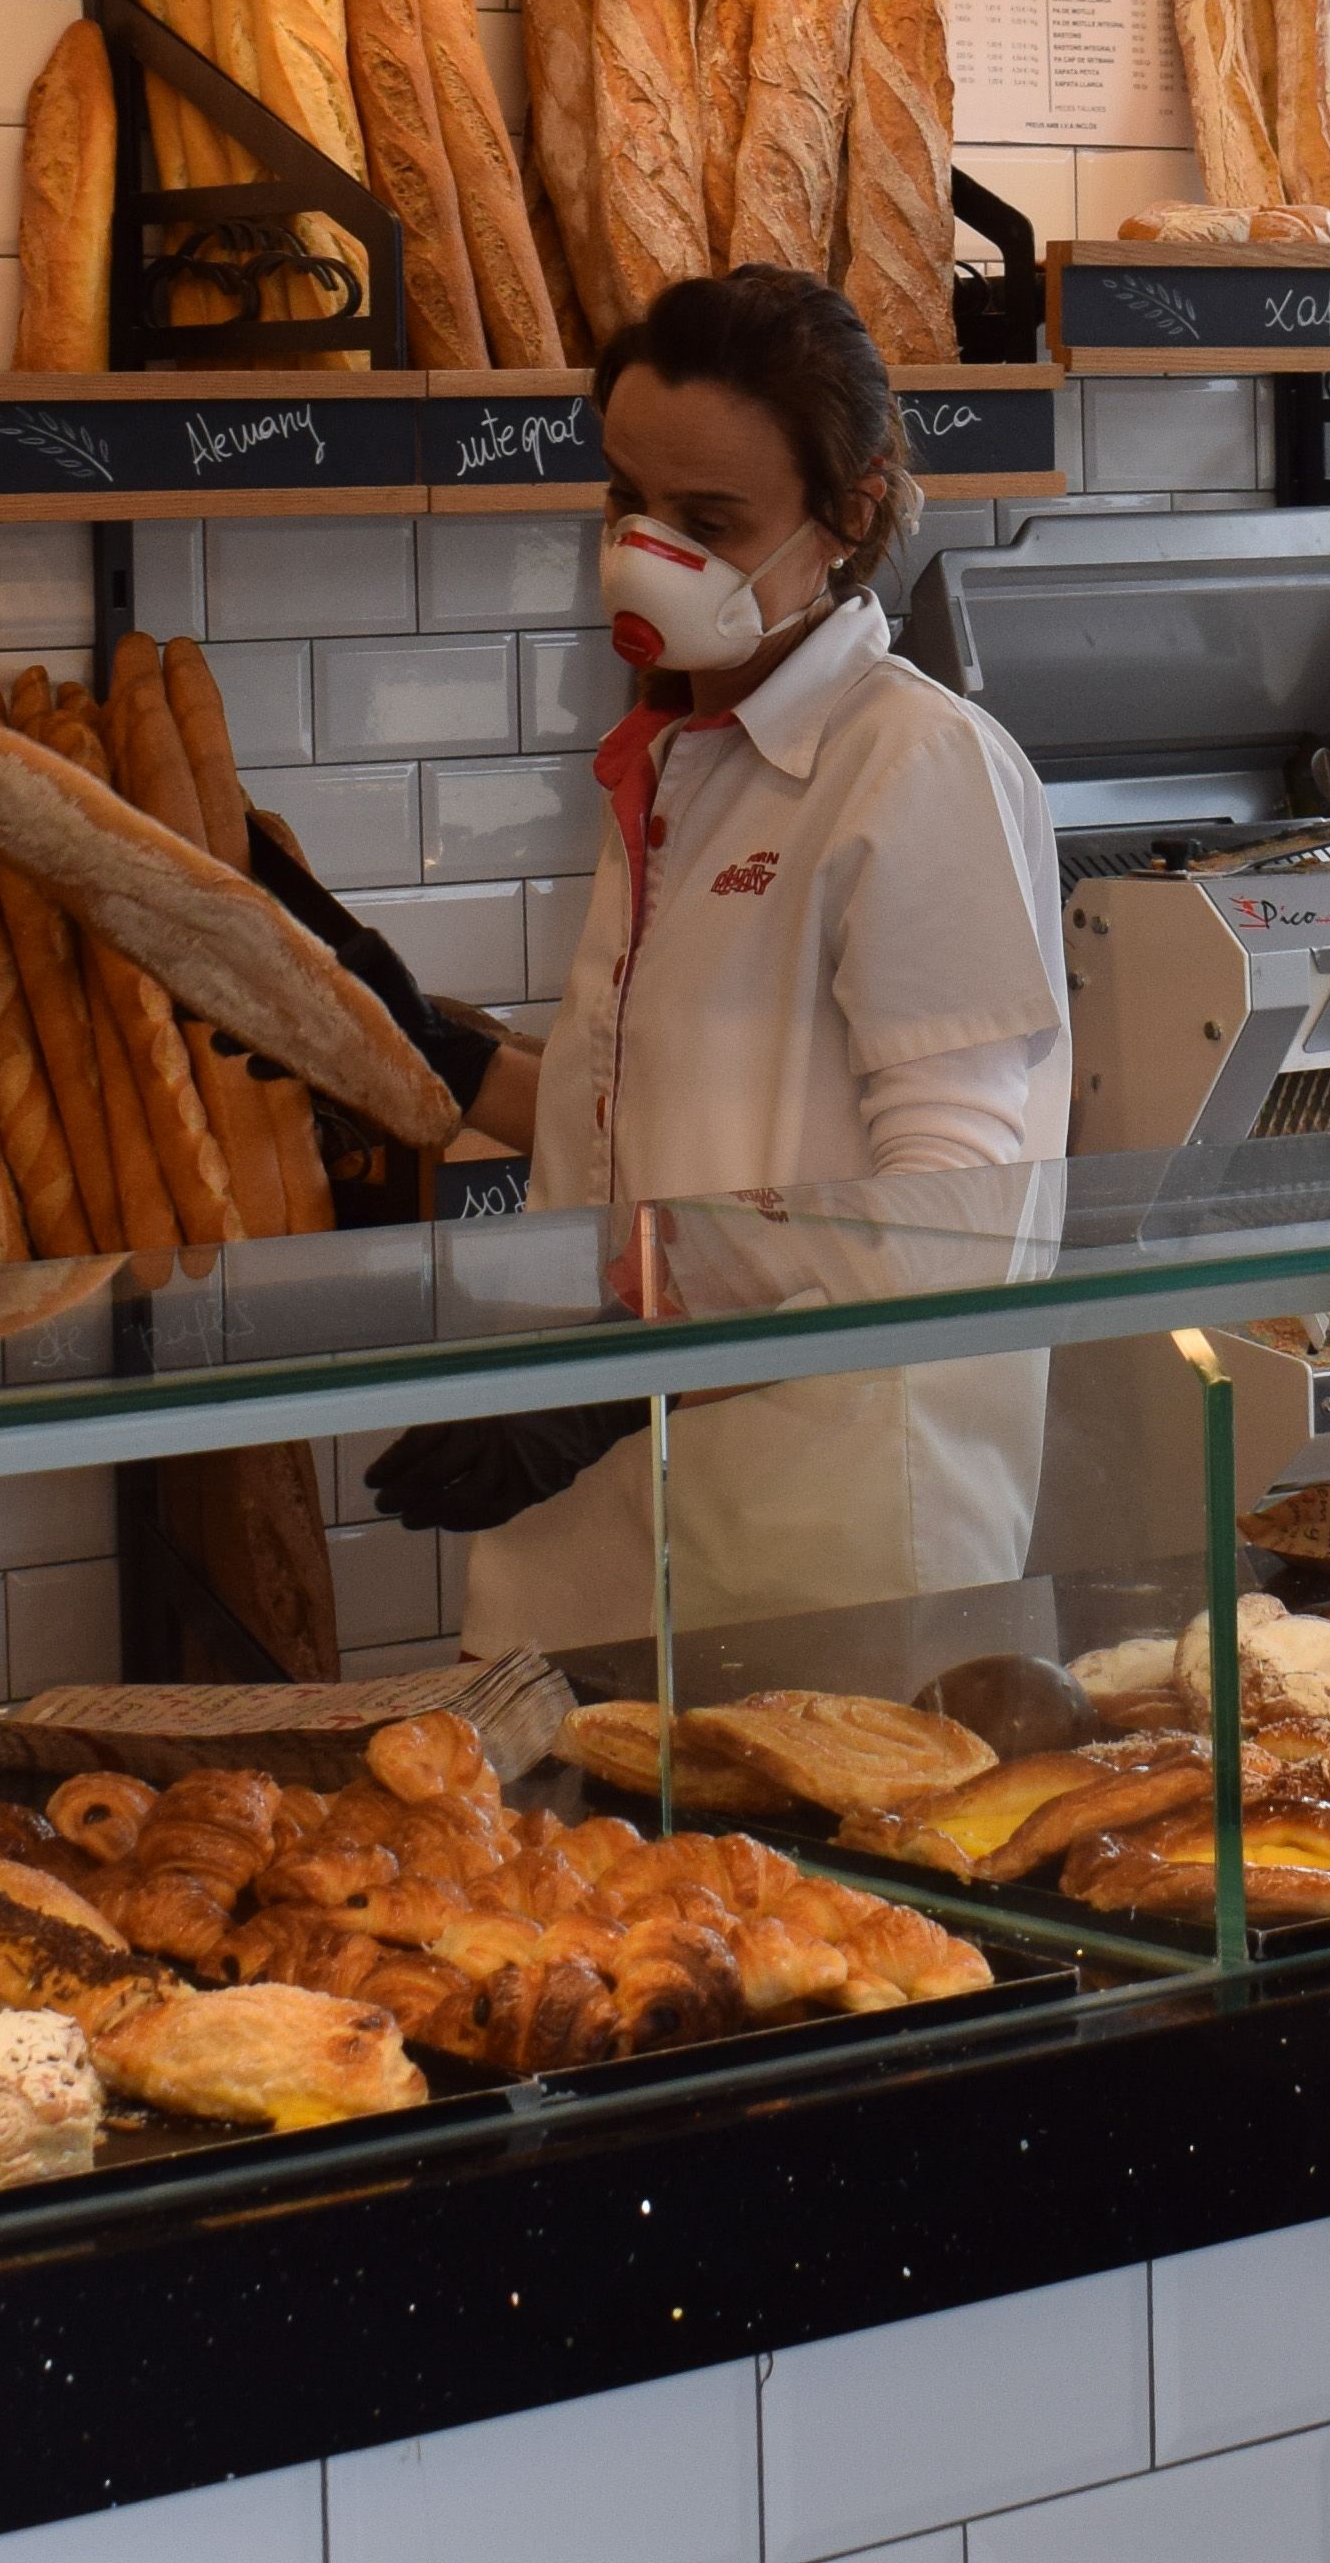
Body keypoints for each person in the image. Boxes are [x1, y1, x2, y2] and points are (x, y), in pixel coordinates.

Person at [380, 267, 1072, 1654]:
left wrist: (619, 1373)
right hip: (603, 1556)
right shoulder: (681, 755)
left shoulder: (910, 768)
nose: (648, 553)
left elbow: (951, 1217)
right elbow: (660, 1117)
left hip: (820, 1563)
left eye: (710, 522)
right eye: (627, 502)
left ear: (852, 509)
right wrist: (430, 1054)